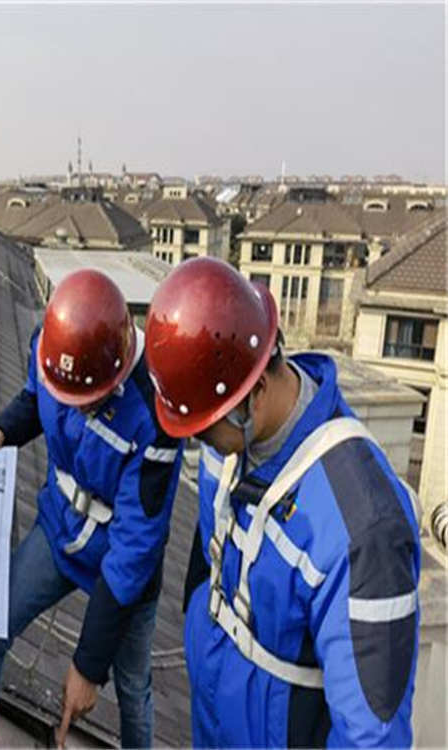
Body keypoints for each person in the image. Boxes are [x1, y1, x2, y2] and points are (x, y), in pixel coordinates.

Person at [144, 257, 421, 747]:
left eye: (206, 430)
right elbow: (208, 549)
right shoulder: (231, 441)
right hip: (218, 719)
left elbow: (371, 736)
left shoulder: (361, 527)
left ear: (254, 395)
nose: (201, 443)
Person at [0, 269, 184, 749]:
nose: (76, 408)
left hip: (122, 565)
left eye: (88, 401)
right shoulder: (51, 348)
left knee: (133, 688)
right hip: (61, 528)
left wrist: (87, 665)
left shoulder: (154, 415)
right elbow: (36, 400)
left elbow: (133, 551)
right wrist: (3, 431)